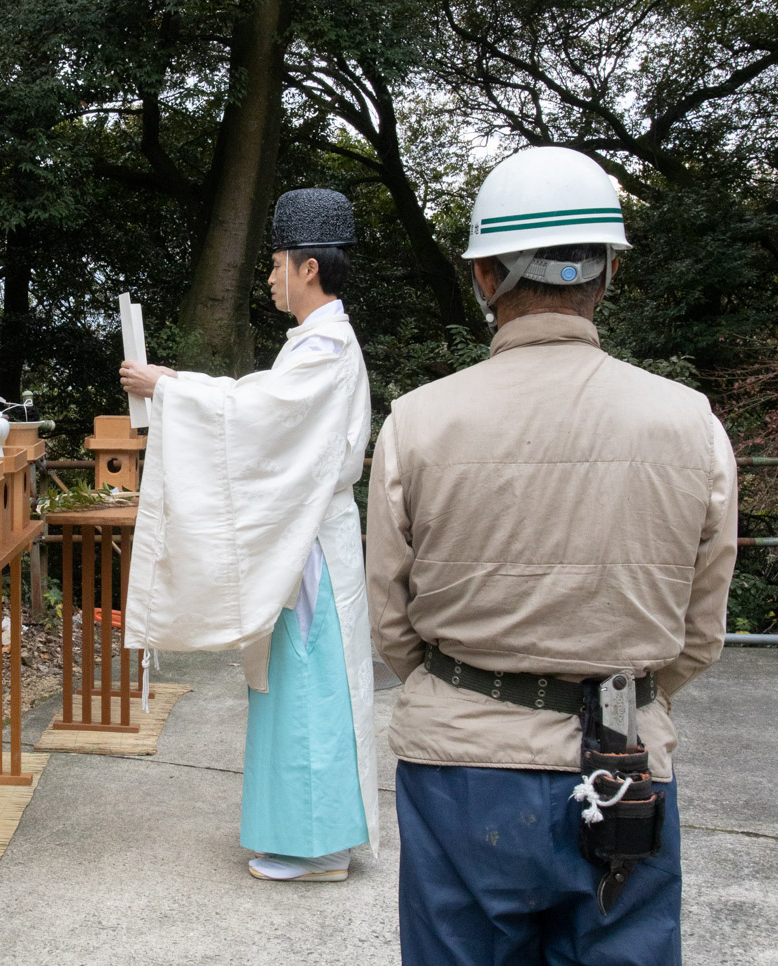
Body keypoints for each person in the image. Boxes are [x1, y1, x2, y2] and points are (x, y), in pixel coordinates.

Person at [365, 146, 738, 964]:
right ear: (604, 273)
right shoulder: (687, 422)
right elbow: (700, 633)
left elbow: (390, 625)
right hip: (621, 761)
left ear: (483, 277)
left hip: (460, 762)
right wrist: (627, 693)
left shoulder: (419, 422)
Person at [121, 188, 379, 882]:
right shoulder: (316, 343)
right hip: (303, 533)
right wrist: (174, 383)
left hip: (311, 541)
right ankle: (304, 834)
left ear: (307, 269)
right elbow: (256, 403)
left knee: (310, 684)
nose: (268, 278)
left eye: (274, 264)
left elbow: (256, 411)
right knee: (292, 683)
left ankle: (321, 843)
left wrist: (168, 389)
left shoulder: (324, 345)